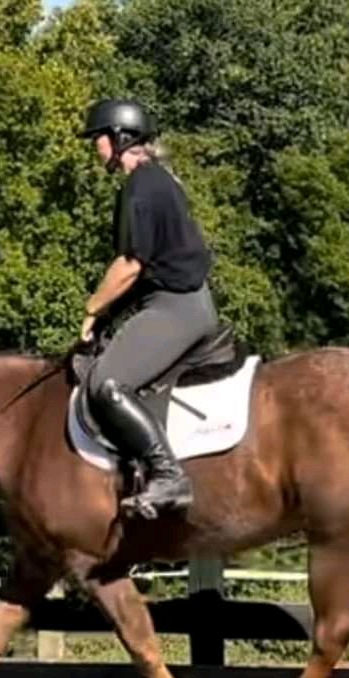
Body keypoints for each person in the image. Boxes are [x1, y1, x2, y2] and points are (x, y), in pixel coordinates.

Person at [77, 97, 220, 517]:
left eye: (99, 139)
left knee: (107, 383)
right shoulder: (157, 180)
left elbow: (129, 265)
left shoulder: (142, 185)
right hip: (174, 302)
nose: (95, 148)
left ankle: (168, 475)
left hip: (177, 306)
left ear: (121, 138)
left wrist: (92, 309)